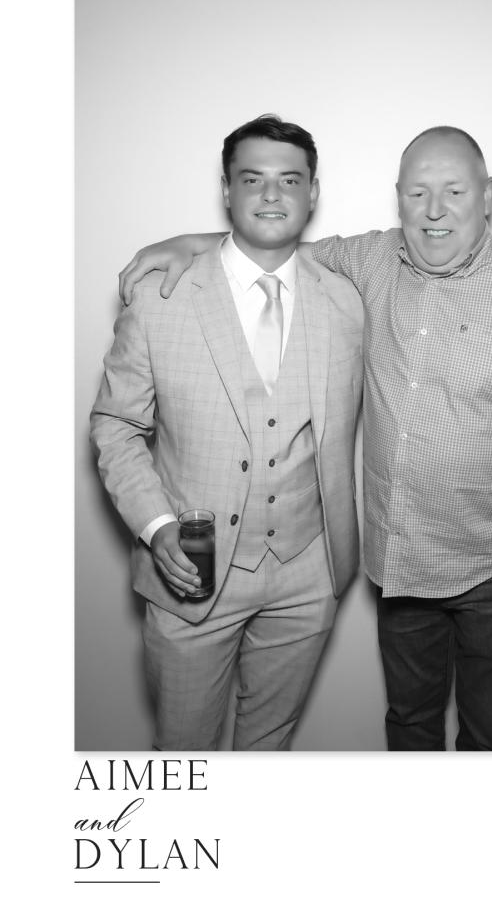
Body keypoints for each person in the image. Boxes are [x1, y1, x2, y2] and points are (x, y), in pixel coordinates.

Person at [118, 126, 492, 751]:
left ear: (488, 195)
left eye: (454, 191)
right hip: (402, 565)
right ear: (398, 198)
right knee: (409, 727)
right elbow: (273, 240)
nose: (435, 209)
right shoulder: (371, 261)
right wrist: (190, 243)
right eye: (418, 193)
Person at [91, 115, 364, 751]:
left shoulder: (348, 298)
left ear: (312, 193)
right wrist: (157, 528)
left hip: (308, 572)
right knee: (183, 753)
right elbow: (116, 424)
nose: (271, 195)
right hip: (191, 572)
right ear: (226, 190)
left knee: (269, 746)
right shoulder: (161, 296)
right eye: (252, 179)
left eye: (289, 180)